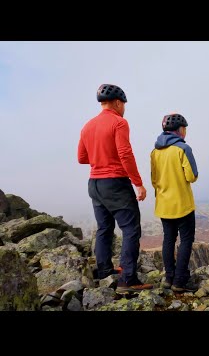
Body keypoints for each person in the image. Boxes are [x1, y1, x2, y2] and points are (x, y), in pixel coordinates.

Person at [78, 83, 153, 293]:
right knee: (131, 229)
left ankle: (104, 272)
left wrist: (99, 156)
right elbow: (125, 154)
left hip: (94, 184)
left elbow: (82, 158)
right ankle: (128, 280)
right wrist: (138, 183)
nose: (124, 108)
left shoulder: (87, 125)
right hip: (115, 183)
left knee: (104, 228)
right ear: (118, 102)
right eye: (124, 105)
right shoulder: (119, 122)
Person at [151, 113, 199, 293]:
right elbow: (192, 176)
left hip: (163, 205)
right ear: (180, 130)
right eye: (184, 128)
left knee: (168, 239)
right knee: (186, 240)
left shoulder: (155, 151)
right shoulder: (183, 149)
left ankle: (168, 278)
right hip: (182, 205)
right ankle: (180, 281)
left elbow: (154, 180)